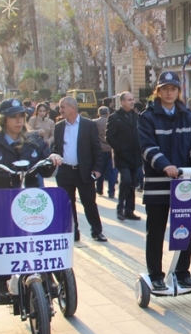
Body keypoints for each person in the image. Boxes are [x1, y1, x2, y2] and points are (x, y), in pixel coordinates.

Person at [0, 99, 62, 301]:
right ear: (4, 119)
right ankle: (0, 281)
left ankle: (47, 274)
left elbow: (46, 166)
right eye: (13, 116)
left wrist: (53, 159)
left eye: (21, 116)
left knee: (41, 234)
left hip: (30, 198)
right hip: (2, 199)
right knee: (1, 236)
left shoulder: (34, 141)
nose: (18, 120)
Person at [138, 70, 191, 290]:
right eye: (165, 89)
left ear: (179, 91)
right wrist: (164, 165)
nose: (169, 92)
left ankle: (182, 271)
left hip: (184, 184)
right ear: (158, 91)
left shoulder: (189, 116)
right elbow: (147, 147)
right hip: (158, 183)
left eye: (173, 88)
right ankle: (156, 274)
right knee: (156, 230)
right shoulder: (147, 117)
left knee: (183, 227)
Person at [52, 96, 107, 242]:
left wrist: (97, 168)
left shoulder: (88, 125)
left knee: (89, 202)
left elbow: (96, 148)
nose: (60, 110)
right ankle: (73, 232)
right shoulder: (59, 126)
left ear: (72, 108)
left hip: (84, 171)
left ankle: (96, 231)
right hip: (64, 172)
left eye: (62, 107)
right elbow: (56, 148)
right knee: (68, 204)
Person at [106, 91, 142, 222]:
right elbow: (109, 137)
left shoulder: (137, 116)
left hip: (135, 156)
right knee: (125, 180)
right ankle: (120, 208)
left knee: (133, 183)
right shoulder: (115, 117)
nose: (132, 102)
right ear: (122, 102)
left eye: (133, 99)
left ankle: (129, 210)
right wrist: (120, 148)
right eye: (129, 100)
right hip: (122, 157)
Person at [94, 106, 117, 198]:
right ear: (108, 113)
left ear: (99, 113)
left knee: (100, 170)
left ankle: (99, 189)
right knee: (112, 171)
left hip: (100, 150)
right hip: (111, 149)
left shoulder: (95, 123)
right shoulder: (113, 121)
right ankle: (111, 191)